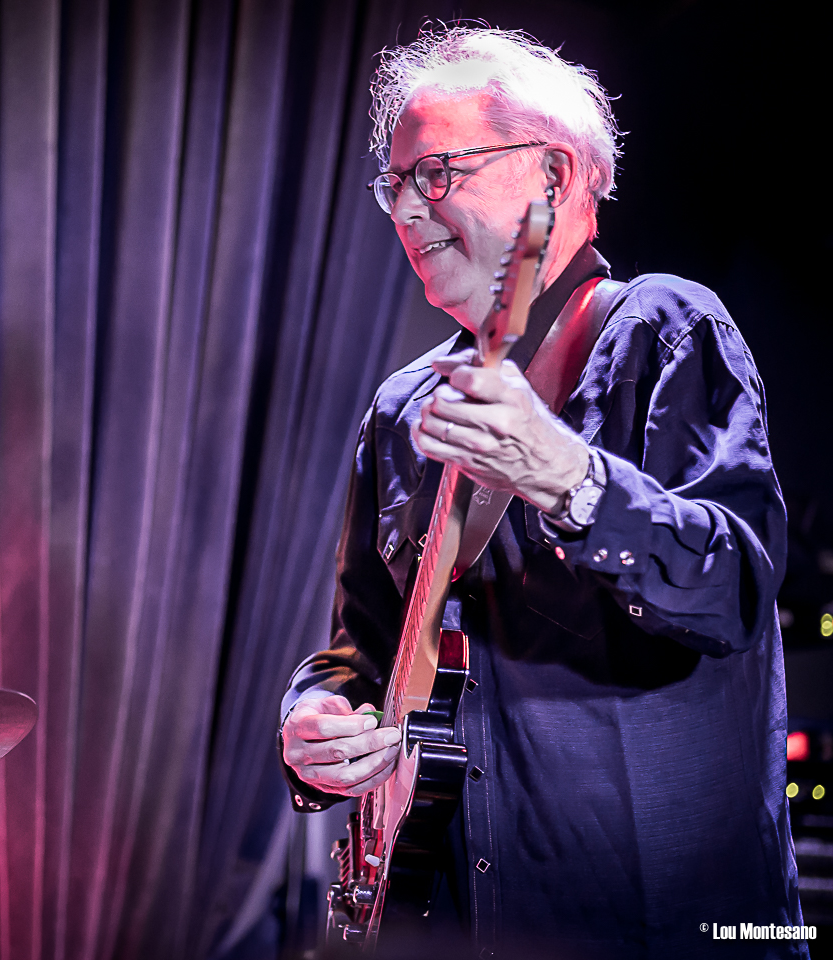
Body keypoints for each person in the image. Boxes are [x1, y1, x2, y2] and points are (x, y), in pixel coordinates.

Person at [279, 26, 806, 959]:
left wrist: (569, 479)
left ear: (556, 177)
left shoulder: (664, 328)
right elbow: (358, 647)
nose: (405, 207)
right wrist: (314, 722)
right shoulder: (402, 406)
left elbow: (733, 588)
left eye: (436, 172)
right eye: (393, 183)